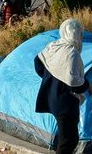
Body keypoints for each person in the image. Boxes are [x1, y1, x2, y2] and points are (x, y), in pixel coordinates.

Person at [35, 19, 92, 153]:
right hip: (65, 102)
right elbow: (74, 82)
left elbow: (38, 63)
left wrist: (50, 79)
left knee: (66, 137)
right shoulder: (72, 52)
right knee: (69, 140)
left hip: (51, 96)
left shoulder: (54, 46)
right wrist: (88, 86)